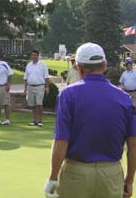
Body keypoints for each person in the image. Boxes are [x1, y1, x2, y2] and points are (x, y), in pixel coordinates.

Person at [44, 42, 136, 198]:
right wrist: (129, 180)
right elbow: (133, 144)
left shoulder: (68, 95)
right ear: (105, 65)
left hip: (76, 173)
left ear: (79, 67)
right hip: (111, 174)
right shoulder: (124, 98)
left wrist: (53, 177)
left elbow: (61, 141)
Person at [24, 50, 49, 126]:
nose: (33, 57)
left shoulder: (43, 65)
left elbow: (46, 77)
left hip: (40, 86)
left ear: (38, 56)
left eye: (35, 55)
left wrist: (47, 87)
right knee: (32, 104)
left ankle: (40, 120)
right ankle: (34, 120)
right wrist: (25, 88)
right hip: (30, 86)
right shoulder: (28, 65)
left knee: (39, 104)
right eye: (32, 55)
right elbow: (26, 78)